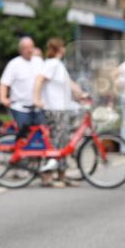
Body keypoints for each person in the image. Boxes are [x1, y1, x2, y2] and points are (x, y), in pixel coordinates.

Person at [33, 38, 89, 186]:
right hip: (54, 109)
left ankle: (62, 175)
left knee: (62, 143)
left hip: (62, 109)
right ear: (61, 49)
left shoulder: (58, 65)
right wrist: (36, 98)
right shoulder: (52, 64)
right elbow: (39, 80)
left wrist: (80, 95)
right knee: (55, 143)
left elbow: (69, 84)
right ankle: (46, 177)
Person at [0, 36, 44, 129]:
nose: (29, 50)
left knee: (39, 139)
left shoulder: (39, 61)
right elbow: (4, 83)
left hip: (38, 109)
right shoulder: (14, 64)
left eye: (31, 47)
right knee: (22, 138)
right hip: (20, 109)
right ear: (20, 50)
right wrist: (3, 98)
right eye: (26, 48)